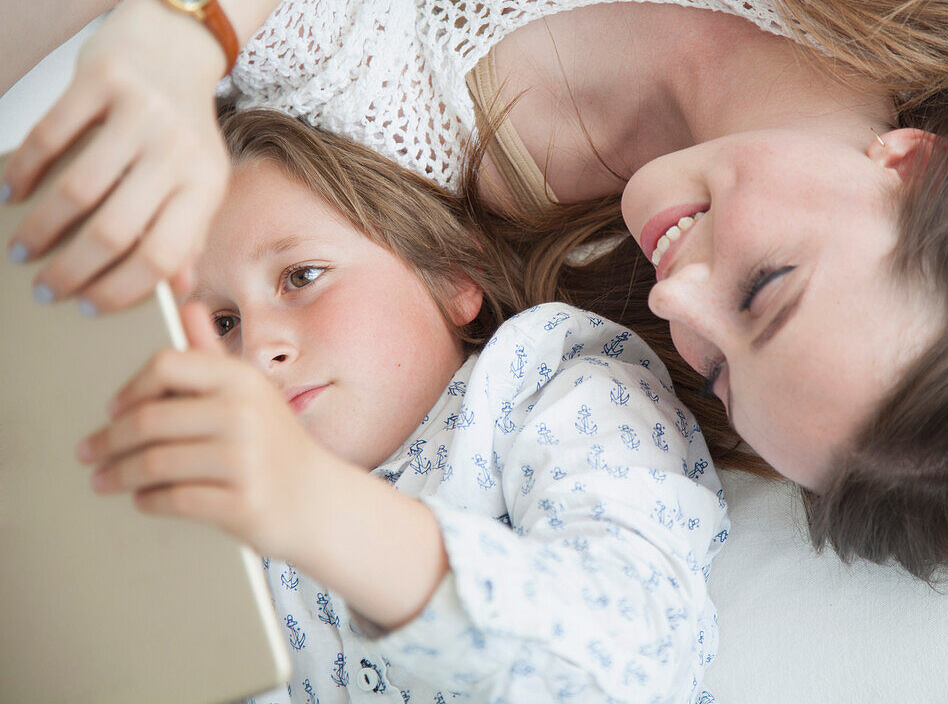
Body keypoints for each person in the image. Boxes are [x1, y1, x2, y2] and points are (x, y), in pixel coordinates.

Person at [6, 0, 948, 579]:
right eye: (765, 288)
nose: (677, 299)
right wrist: (181, 29)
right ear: (908, 167)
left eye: (716, 368)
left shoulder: (553, 302)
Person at [75, 106, 730, 702]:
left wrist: (317, 506)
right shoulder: (232, 536)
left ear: (452, 275)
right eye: (223, 323)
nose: (257, 350)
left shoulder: (551, 383)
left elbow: (632, 656)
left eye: (301, 276)